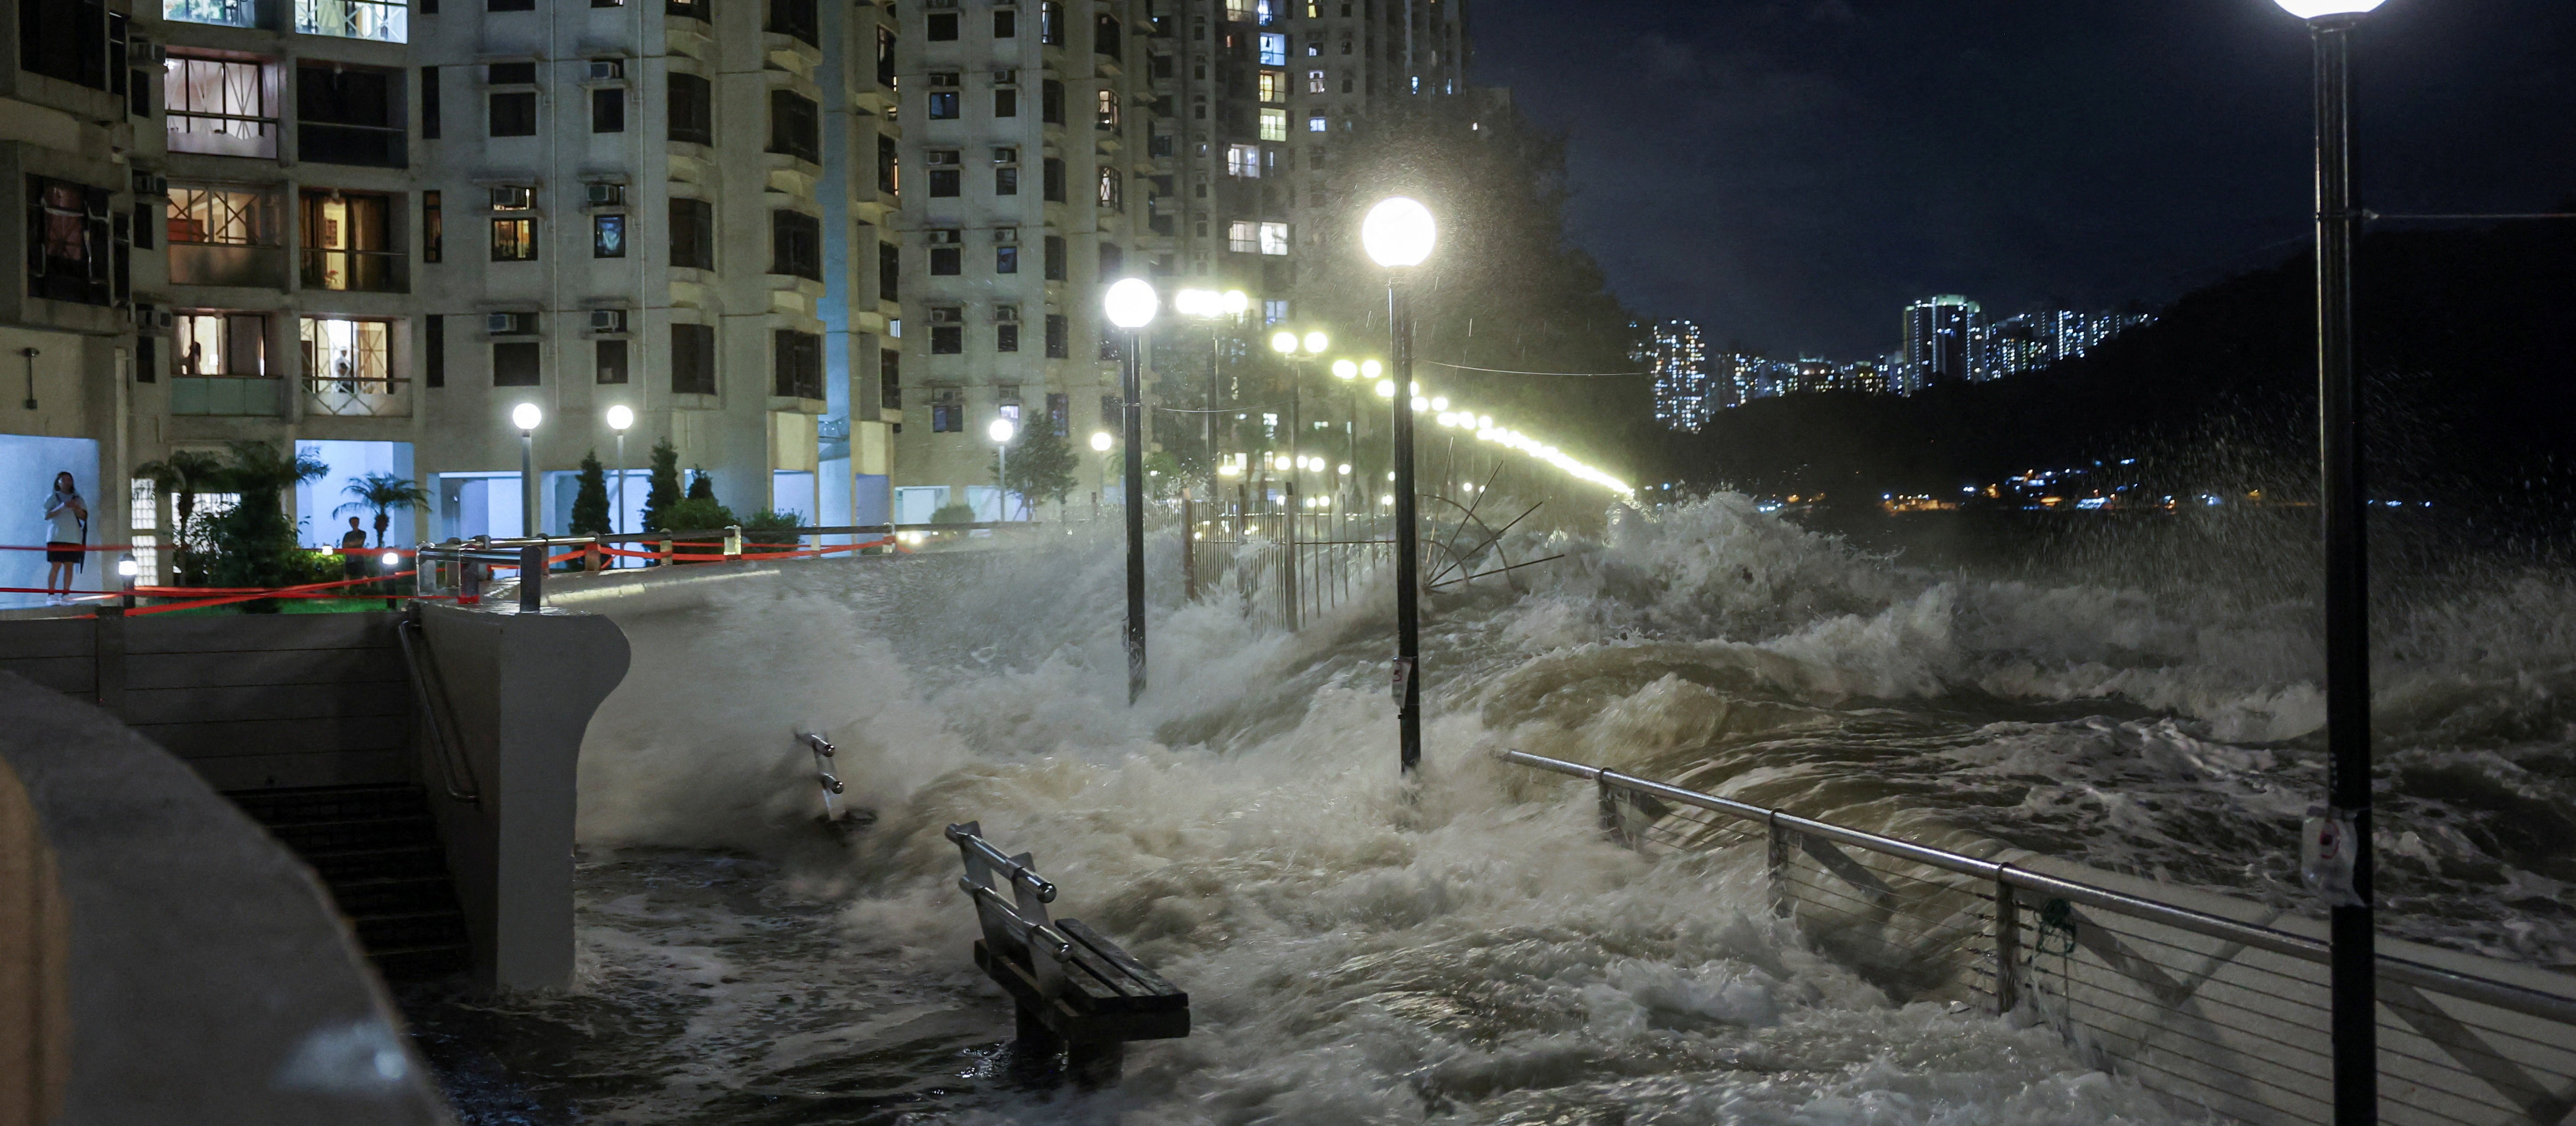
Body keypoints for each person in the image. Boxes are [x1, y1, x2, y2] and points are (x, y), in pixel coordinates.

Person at [42, 472, 87, 607]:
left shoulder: (78, 498)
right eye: (64, 480)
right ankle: (51, 595)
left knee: (69, 566)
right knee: (56, 565)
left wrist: (76, 507)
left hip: (73, 537)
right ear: (58, 482)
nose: (67, 482)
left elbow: (84, 517)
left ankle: (66, 594)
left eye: (69, 480)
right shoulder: (53, 497)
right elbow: (47, 515)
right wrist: (62, 507)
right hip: (57, 537)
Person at [340, 515, 371, 581]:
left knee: (364, 575)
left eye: (356, 522)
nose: (355, 524)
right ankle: (346, 590)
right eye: (353, 522)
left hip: (359, 558)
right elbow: (344, 546)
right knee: (347, 575)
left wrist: (350, 544)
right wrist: (352, 544)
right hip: (349, 559)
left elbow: (360, 543)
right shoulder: (348, 535)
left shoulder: (362, 533)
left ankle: (369, 589)